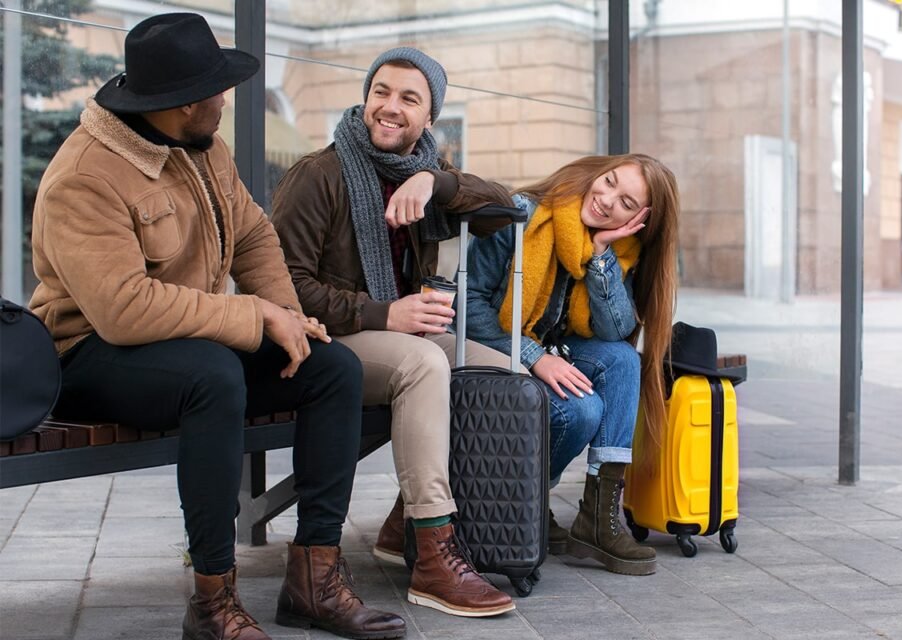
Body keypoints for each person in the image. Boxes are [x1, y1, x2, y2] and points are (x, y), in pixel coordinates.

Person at [28, 13, 406, 640]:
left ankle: (314, 581)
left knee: (332, 367)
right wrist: (254, 315)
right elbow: (122, 309)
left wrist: (288, 318)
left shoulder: (202, 148)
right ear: (183, 103)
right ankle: (212, 602)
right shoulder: (85, 176)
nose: (227, 100)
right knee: (213, 376)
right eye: (218, 90)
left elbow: (254, 235)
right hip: (87, 354)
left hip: (186, 341)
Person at [270, 48, 516, 617]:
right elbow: (284, 288)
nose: (389, 106)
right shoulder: (319, 174)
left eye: (409, 98)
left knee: (504, 374)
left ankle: (403, 521)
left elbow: (505, 203)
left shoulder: (422, 171)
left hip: (397, 332)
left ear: (429, 117)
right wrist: (385, 314)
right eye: (381, 91)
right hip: (326, 339)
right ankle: (434, 553)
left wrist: (435, 181)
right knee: (423, 365)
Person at [464, 153, 680, 576]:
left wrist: (600, 257)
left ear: (641, 220)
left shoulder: (621, 250)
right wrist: (534, 357)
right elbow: (466, 301)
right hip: (492, 349)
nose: (607, 200)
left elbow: (614, 330)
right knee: (582, 410)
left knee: (622, 359)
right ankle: (528, 501)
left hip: (551, 354)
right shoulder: (524, 215)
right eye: (609, 182)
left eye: (627, 203)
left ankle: (598, 519)